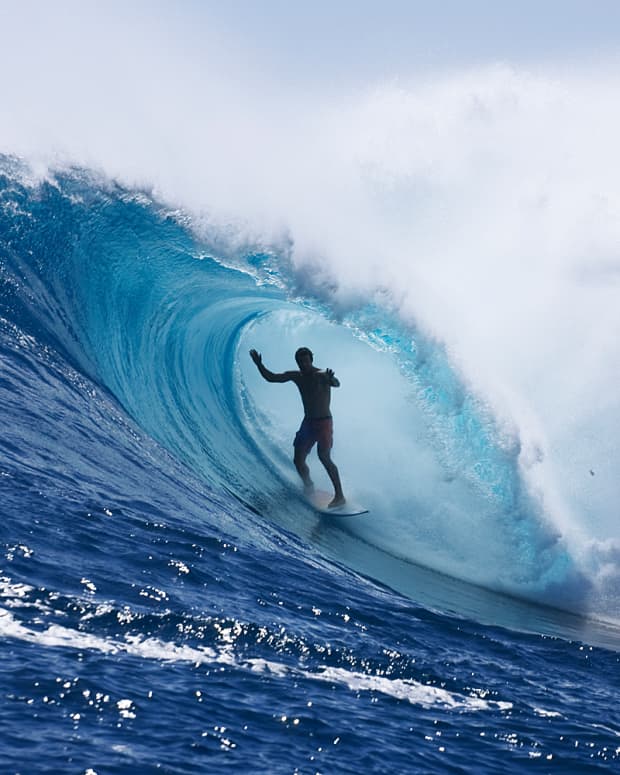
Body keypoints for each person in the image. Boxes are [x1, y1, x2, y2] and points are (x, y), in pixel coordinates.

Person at [249, 347, 346, 508]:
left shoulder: (322, 375)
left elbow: (336, 384)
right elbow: (272, 378)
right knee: (298, 460)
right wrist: (259, 364)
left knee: (324, 457)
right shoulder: (297, 376)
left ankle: (340, 496)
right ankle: (309, 487)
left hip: (324, 423)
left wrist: (332, 379)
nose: (303, 364)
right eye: (300, 362)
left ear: (311, 360)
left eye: (306, 361)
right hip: (308, 423)